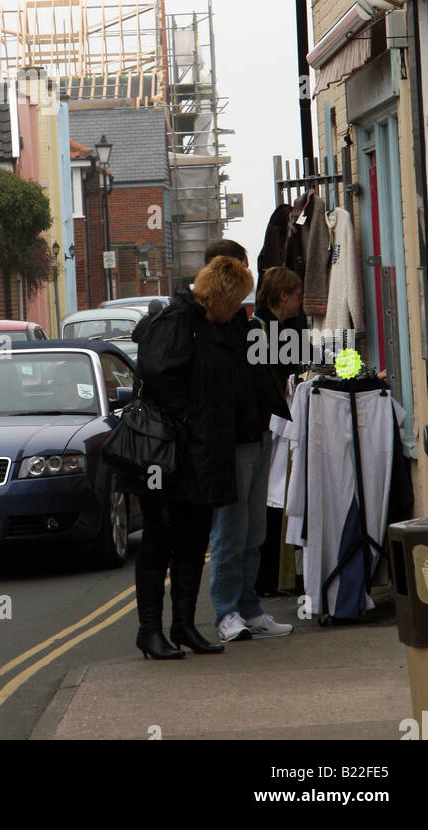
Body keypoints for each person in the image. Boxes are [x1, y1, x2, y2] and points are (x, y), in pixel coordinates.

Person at [131, 255, 254, 660]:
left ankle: (183, 625)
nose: (238, 309)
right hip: (169, 453)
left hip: (201, 452)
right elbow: (156, 372)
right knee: (159, 539)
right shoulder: (178, 321)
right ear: (220, 295)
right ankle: (149, 631)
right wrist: (189, 418)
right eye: (235, 301)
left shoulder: (210, 324)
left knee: (193, 539)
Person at [208, 248, 294, 643]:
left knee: (254, 529)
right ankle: (226, 612)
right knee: (231, 529)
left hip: (259, 434)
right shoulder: (211, 328)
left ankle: (249, 608)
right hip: (234, 441)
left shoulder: (246, 326)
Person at [252, 266, 306, 597]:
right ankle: (267, 578)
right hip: (270, 426)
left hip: (273, 424)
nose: (302, 300)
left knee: (273, 500)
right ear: (283, 296)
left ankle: (271, 576)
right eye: (298, 294)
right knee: (271, 500)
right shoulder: (263, 330)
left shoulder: (276, 327)